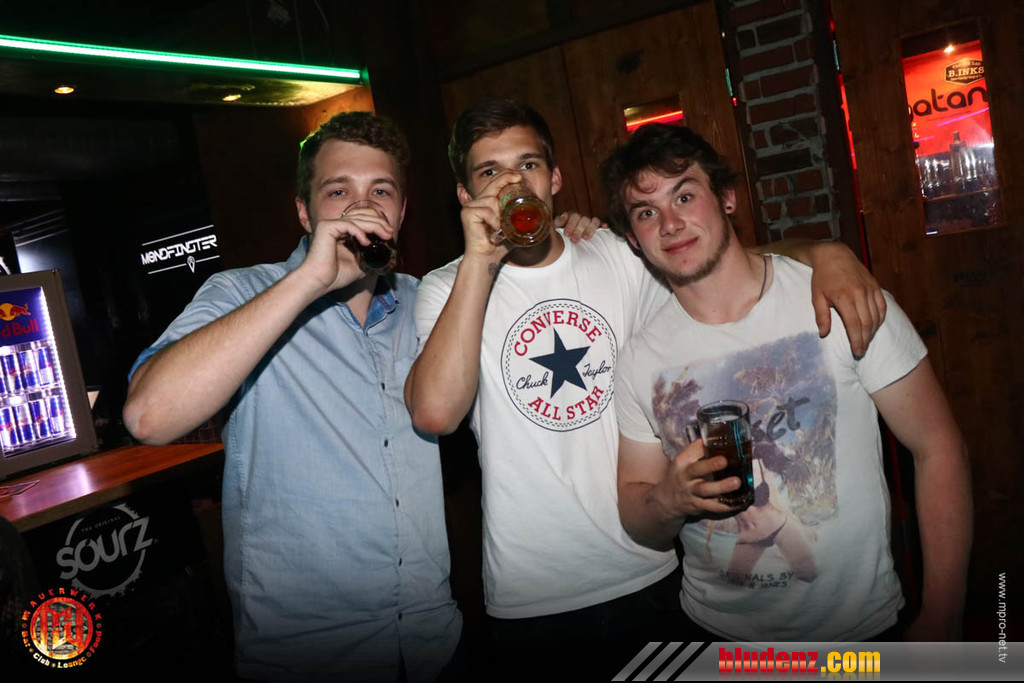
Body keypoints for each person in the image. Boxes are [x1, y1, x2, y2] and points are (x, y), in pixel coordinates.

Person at [404, 97, 885, 675]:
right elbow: (436, 415)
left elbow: (719, 259)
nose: (514, 183)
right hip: (532, 593)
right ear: (465, 195)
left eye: (528, 165)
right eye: (490, 172)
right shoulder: (446, 288)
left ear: (554, 178)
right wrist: (480, 260)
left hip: (651, 567)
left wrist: (824, 251)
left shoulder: (615, 254)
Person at [122, 112, 461, 681]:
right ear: (305, 212)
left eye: (381, 191)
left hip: (432, 642)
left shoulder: (424, 301)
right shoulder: (243, 292)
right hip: (307, 655)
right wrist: (309, 280)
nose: (362, 206)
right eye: (338, 191)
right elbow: (148, 416)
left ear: (401, 212)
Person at [607, 123, 971, 642]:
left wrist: (943, 612)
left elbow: (937, 448)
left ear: (727, 198)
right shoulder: (639, 360)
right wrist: (670, 499)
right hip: (717, 639)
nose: (670, 223)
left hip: (858, 636)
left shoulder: (840, 300)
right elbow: (636, 510)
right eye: (646, 212)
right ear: (633, 239)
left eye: (684, 196)